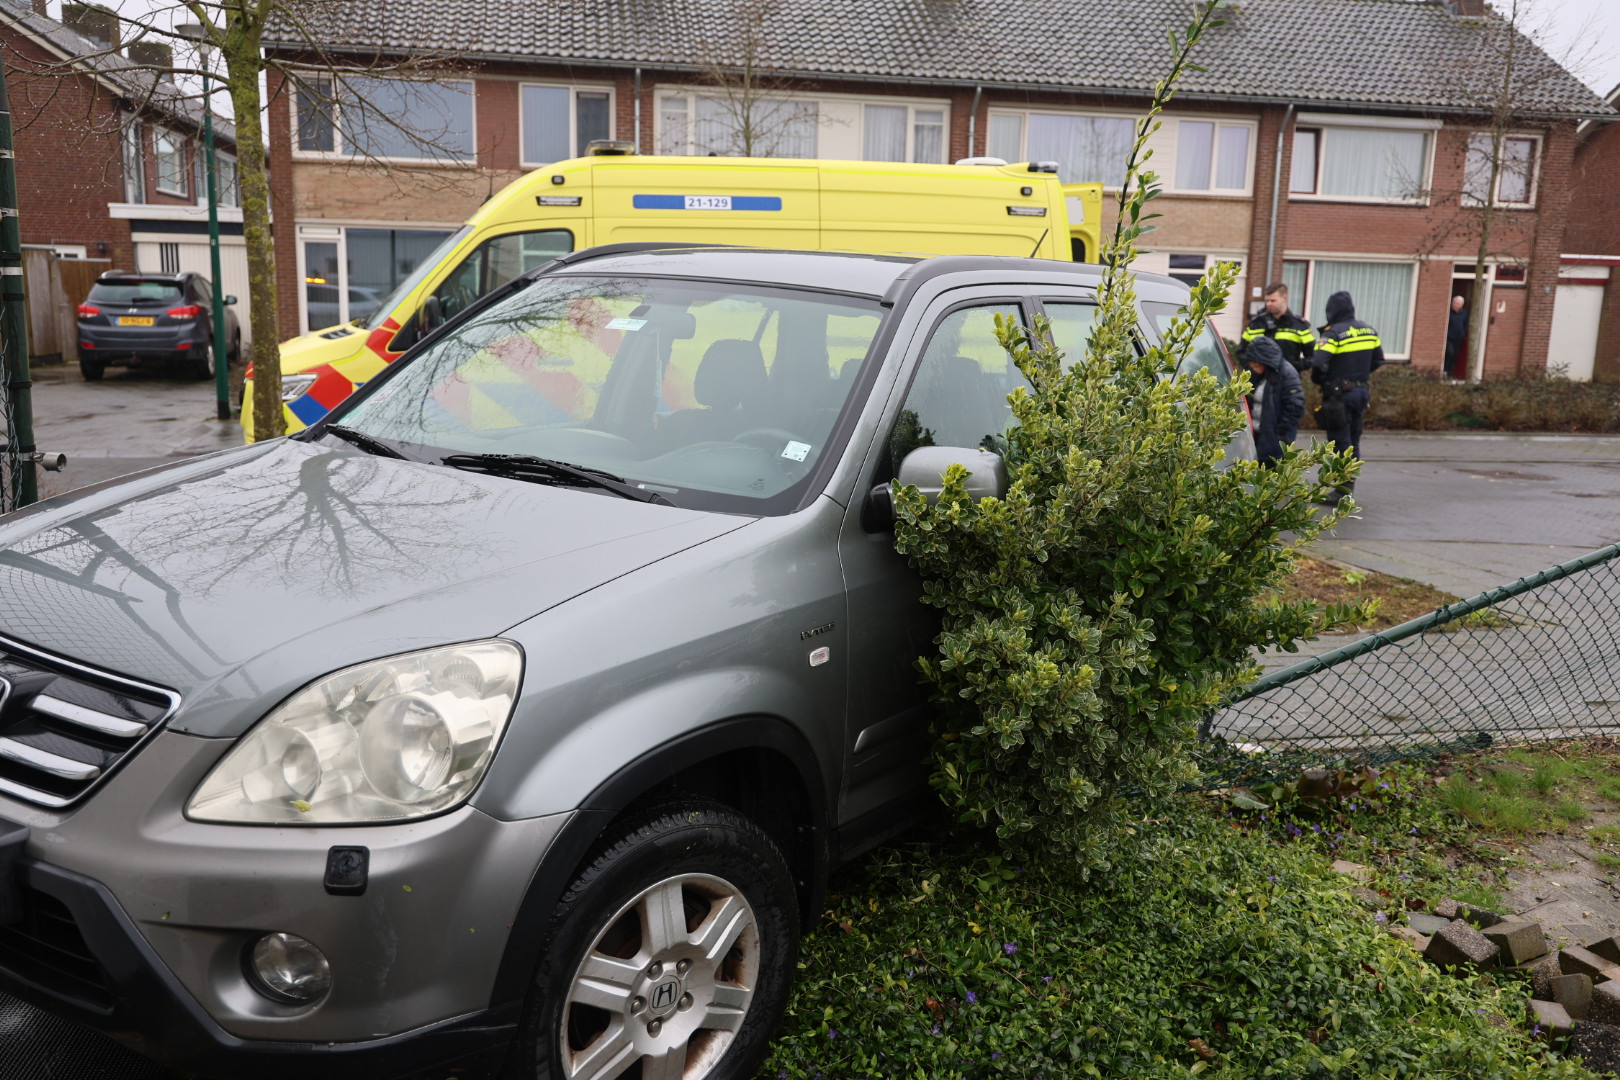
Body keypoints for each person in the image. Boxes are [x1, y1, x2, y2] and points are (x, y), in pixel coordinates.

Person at [1310, 290, 1385, 506]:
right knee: (1353, 441)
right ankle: (1348, 488)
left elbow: (1318, 363)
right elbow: (1379, 360)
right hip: (1361, 392)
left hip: (1338, 396)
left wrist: (1322, 381)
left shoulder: (1332, 333)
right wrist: (1358, 377)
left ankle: (1341, 492)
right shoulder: (1368, 330)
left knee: (1340, 442)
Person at [1242, 336, 1304, 467]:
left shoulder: (1287, 374)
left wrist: (1280, 432)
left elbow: (1295, 406)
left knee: (1269, 477)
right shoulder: (1258, 374)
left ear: (1264, 360)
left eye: (1255, 363)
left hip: (1274, 441)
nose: (1253, 367)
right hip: (1258, 435)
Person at [1241, 282, 1316, 373]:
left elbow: (1313, 356)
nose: (1269, 304)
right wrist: (1254, 369)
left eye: (1273, 301)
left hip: (1287, 381)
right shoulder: (1256, 324)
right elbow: (1241, 352)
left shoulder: (1299, 326)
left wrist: (1294, 366)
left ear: (1284, 298)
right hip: (1259, 381)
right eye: (1267, 301)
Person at [1445, 295, 1468, 379]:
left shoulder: (1464, 313)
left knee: (1455, 356)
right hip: (1449, 338)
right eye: (1455, 303)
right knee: (1450, 353)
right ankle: (1445, 371)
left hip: (1458, 338)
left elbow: (1465, 324)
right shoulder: (1449, 312)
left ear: (1462, 305)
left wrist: (1463, 333)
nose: (1456, 305)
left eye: (1458, 303)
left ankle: (1450, 373)